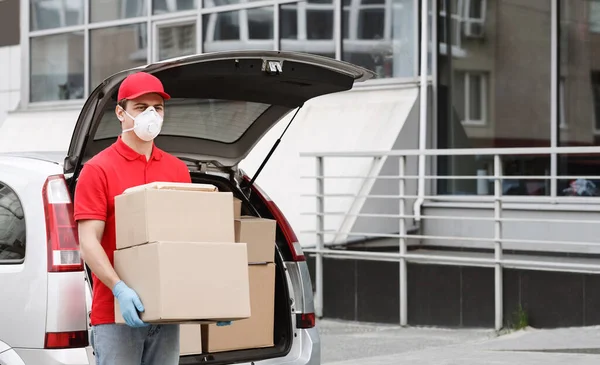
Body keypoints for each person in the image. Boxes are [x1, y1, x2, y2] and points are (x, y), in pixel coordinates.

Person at [74, 72, 191, 365]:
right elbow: (88, 243)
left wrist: (213, 300)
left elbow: (188, 241)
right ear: (120, 113)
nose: (152, 114)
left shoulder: (178, 171)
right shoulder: (98, 170)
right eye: (141, 108)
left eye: (158, 108)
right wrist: (119, 289)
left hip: (166, 313)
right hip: (115, 314)